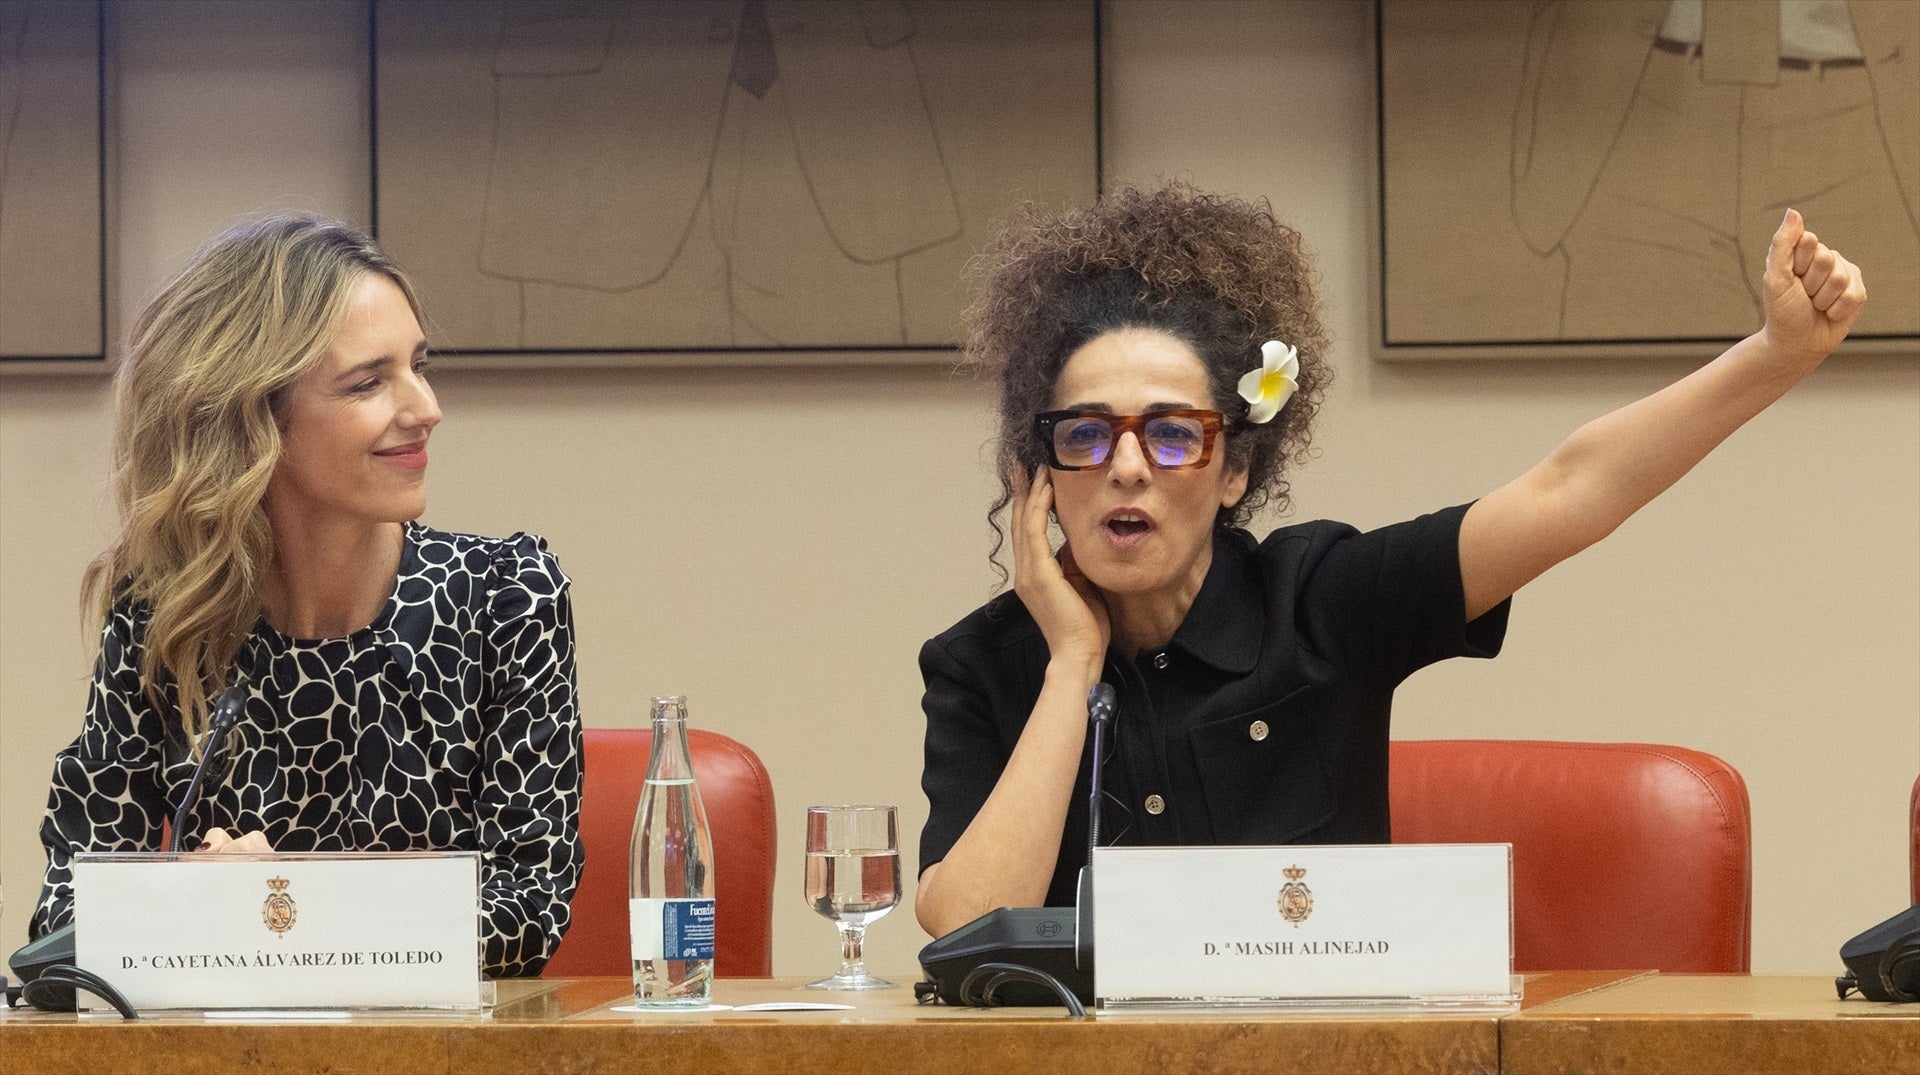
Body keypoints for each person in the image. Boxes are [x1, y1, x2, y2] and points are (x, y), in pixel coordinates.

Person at [914, 182, 1866, 939]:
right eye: (1086, 434)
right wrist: (1072, 665)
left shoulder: (1324, 600)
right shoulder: (979, 664)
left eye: (1172, 435)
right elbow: (964, 921)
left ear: (1236, 467)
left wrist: (1776, 356)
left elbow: (1567, 492)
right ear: (1043, 469)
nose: (1126, 466)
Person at [27, 215, 583, 977]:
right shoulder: (168, 613)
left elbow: (528, 912)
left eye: (419, 365)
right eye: (369, 382)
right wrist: (187, 898)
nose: (425, 408)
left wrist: (278, 901)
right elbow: (64, 921)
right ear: (258, 419)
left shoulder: (507, 599)